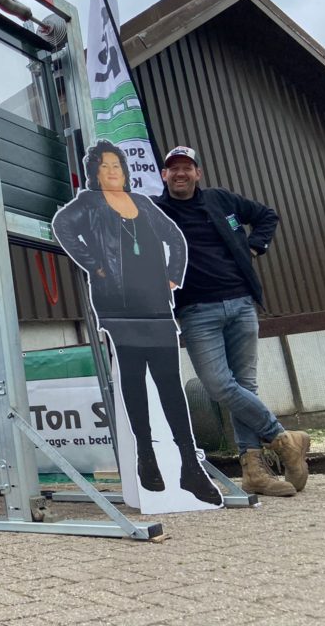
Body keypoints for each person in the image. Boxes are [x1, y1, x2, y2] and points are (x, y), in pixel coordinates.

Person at [53, 140, 221, 505]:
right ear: (95, 172)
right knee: (132, 378)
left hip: (156, 305)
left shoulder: (143, 203)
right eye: (105, 166)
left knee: (169, 384)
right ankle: (146, 457)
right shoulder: (88, 204)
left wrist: (173, 275)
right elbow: (61, 226)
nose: (113, 171)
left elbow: (175, 239)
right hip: (118, 306)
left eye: (117, 165)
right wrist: (94, 264)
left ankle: (189, 466)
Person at [155, 146, 309, 497]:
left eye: (186, 168)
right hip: (195, 311)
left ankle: (253, 472)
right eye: (173, 169)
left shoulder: (220, 199)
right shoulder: (156, 212)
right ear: (164, 175)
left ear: (198, 173)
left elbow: (267, 215)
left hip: (241, 303)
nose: (180, 173)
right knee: (219, 386)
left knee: (245, 386)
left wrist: (255, 247)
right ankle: (285, 440)